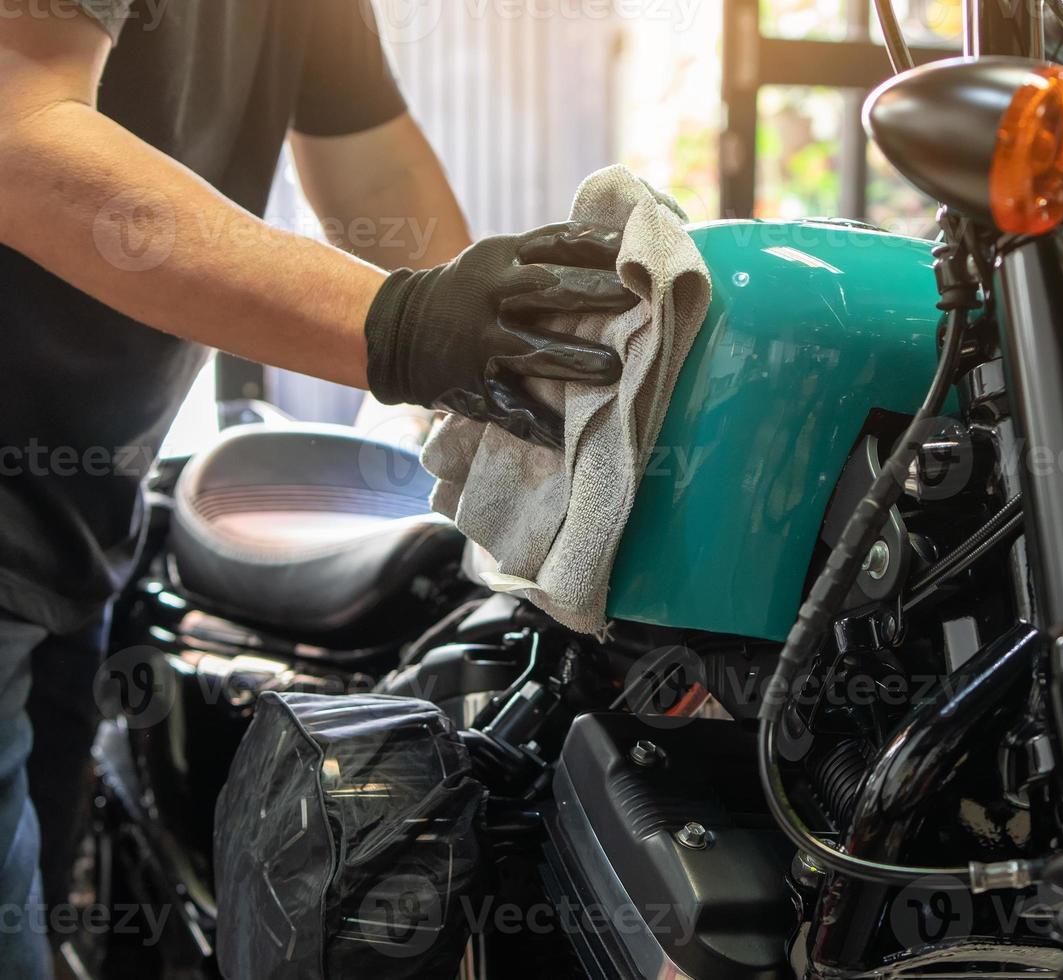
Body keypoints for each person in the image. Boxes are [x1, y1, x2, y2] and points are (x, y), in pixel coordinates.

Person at [0, 3, 638, 976]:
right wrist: (406, 327)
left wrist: (506, 372)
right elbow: (18, 127)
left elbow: (370, 165)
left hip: (72, 519)